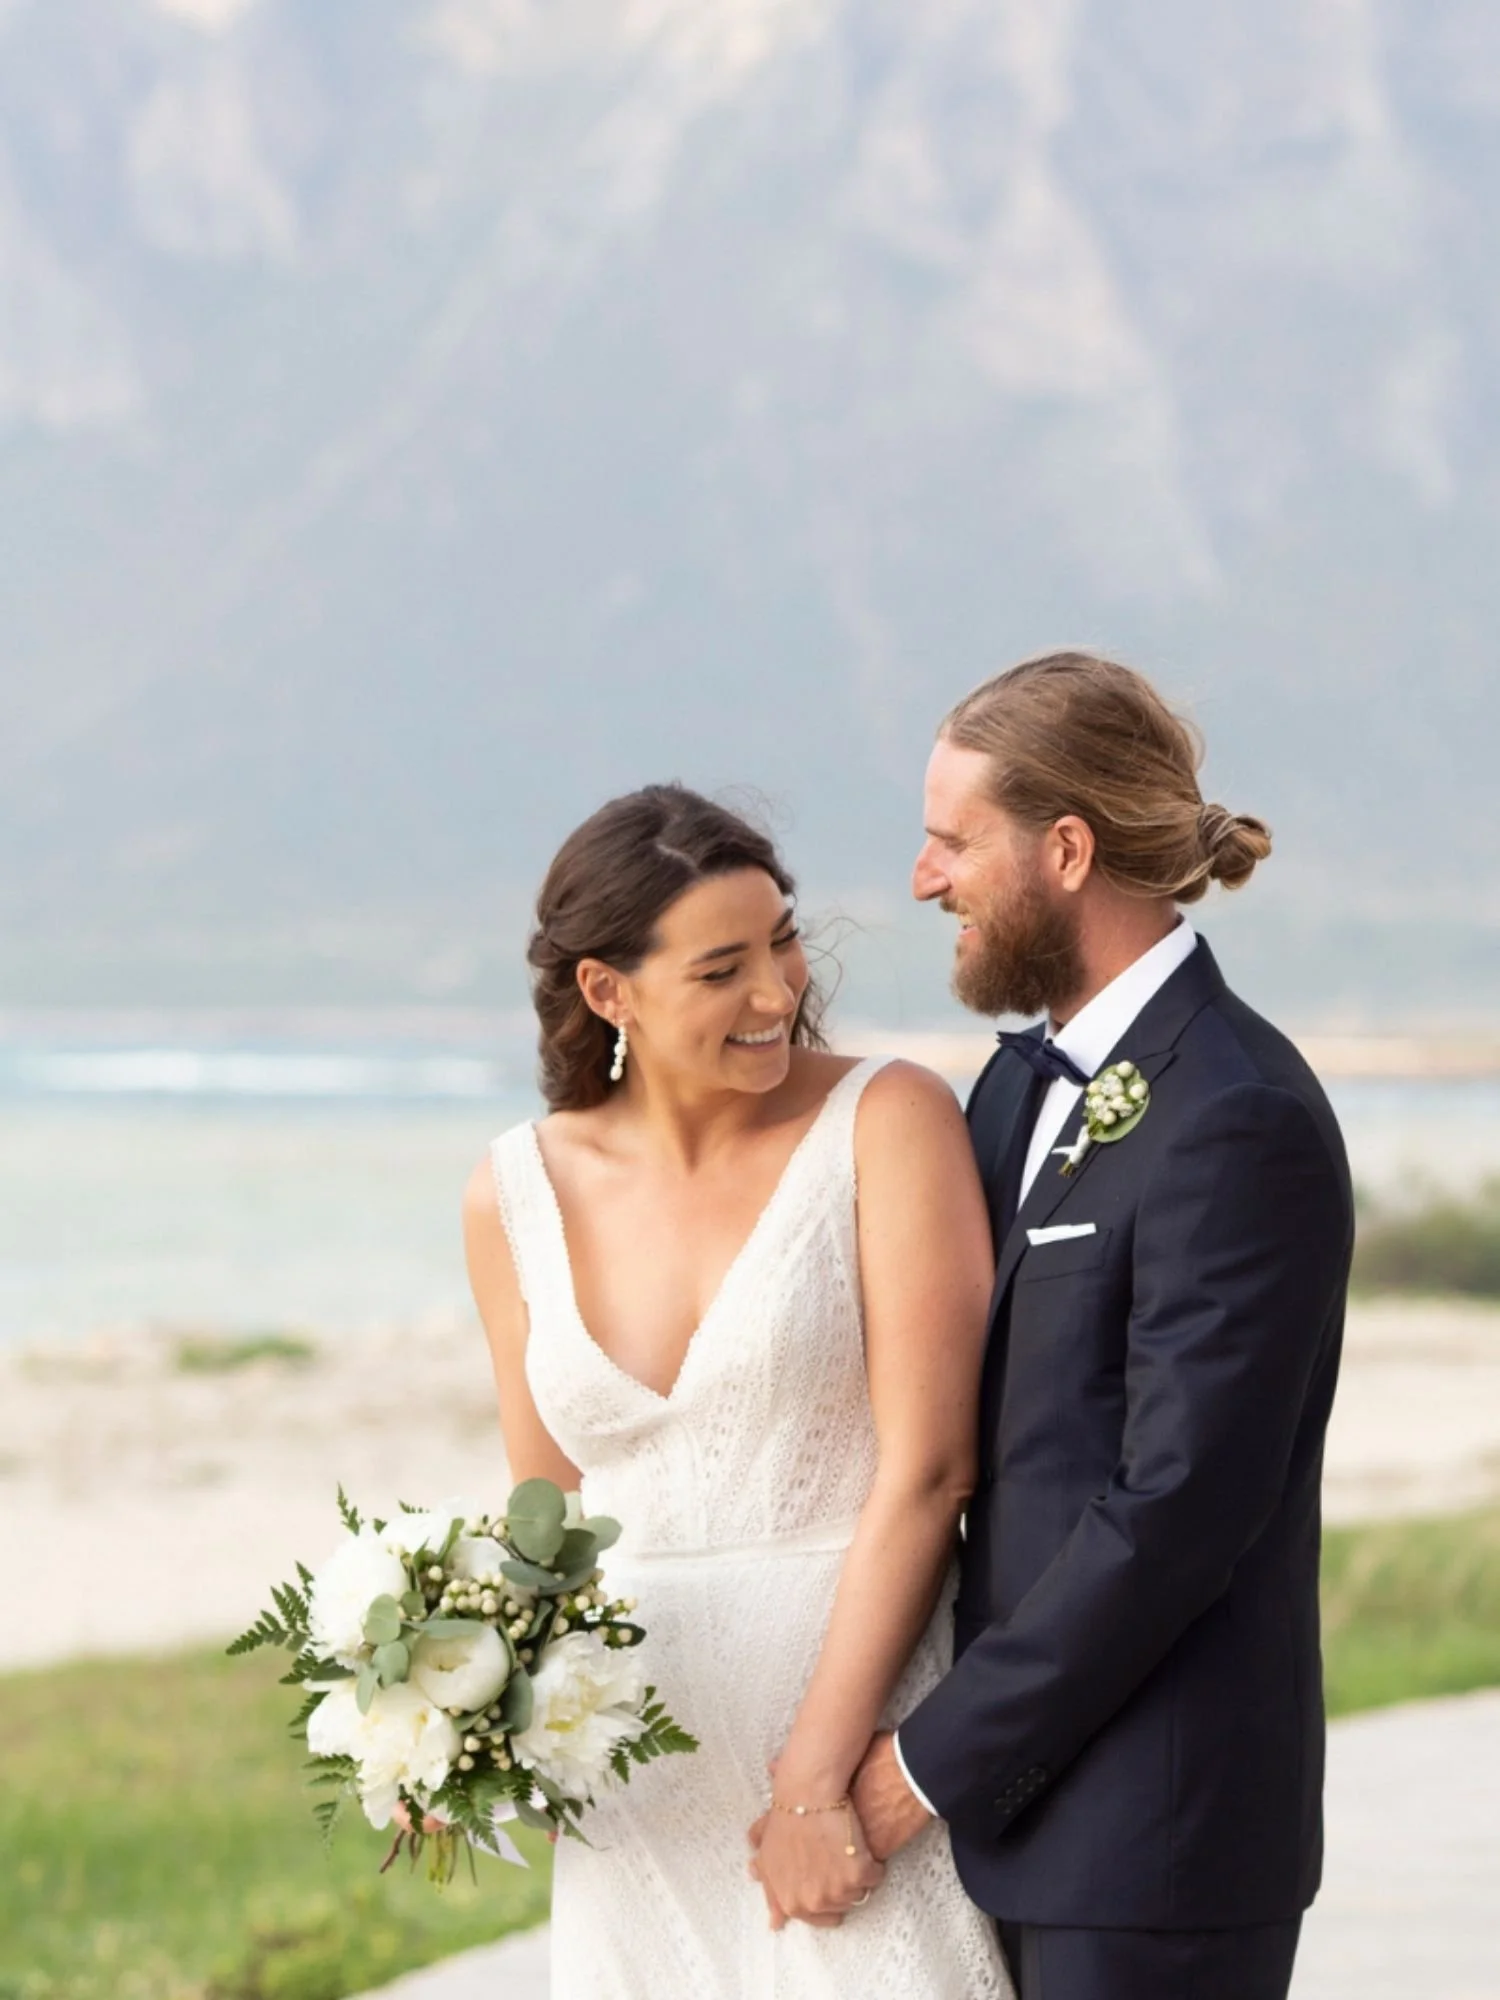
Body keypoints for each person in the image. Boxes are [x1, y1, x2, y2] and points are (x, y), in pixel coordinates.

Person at [848, 652, 1354, 2000]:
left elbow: (1175, 1509)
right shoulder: (1011, 1096)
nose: (922, 879)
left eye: (952, 841)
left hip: (1155, 1856)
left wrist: (921, 1767)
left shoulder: (1239, 1115)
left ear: (1064, 849)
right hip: (1011, 1841)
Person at [463, 784, 1012, 1998]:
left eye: (781, 940)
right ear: (609, 990)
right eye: (722, 968)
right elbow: (544, 1515)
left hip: (842, 1749)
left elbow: (931, 1472)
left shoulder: (888, 1117)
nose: (776, 991)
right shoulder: (512, 1190)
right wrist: (493, 1733)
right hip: (638, 1801)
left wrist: (821, 1778)